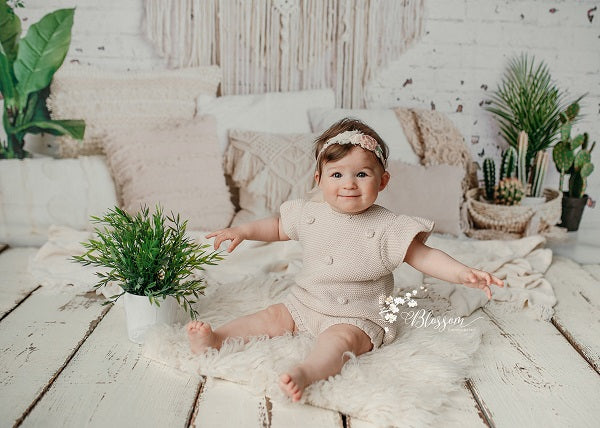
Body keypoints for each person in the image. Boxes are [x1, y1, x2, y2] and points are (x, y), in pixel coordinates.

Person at [187, 118, 504, 402]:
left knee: (337, 342)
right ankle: (217, 339)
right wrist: (243, 230)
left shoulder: (387, 225)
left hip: (358, 315)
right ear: (319, 179)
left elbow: (424, 256)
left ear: (382, 181)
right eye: (336, 174)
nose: (349, 184)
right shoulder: (310, 213)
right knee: (269, 316)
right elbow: (277, 226)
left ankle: (307, 373)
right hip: (307, 303)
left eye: (362, 174)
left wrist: (462, 273)